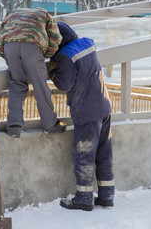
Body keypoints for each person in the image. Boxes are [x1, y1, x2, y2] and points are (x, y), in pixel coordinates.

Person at [49, 22, 115, 211]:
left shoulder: (64, 56)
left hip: (86, 111)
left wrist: (53, 70)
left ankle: (84, 198)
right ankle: (107, 196)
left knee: (84, 155)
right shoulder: (88, 42)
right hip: (104, 106)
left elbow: (65, 84)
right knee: (104, 153)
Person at [0, 8, 66, 138]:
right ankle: (50, 124)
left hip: (9, 45)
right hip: (32, 45)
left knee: (16, 85)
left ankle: (14, 127)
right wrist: (44, 55)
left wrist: (7, 55)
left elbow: (0, 35)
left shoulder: (12, 13)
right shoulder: (45, 13)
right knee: (40, 86)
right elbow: (56, 38)